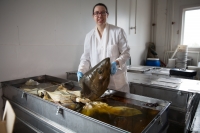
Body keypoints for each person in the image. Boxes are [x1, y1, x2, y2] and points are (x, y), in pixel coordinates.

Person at [77, 3, 130, 93]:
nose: (100, 15)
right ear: (93, 16)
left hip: (117, 84)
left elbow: (126, 53)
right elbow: (86, 58)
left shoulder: (118, 32)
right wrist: (81, 70)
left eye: (103, 13)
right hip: (98, 84)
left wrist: (116, 63)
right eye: (97, 13)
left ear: (107, 15)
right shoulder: (89, 36)